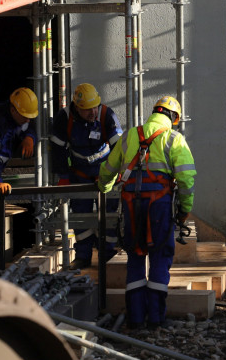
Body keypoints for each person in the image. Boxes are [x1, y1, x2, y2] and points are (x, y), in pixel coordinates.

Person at [98, 96, 196, 329]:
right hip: (159, 207)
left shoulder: (130, 135)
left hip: (132, 205)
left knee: (135, 256)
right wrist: (184, 211)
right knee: (160, 258)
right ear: (173, 118)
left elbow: (108, 169)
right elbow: (186, 180)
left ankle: (135, 318)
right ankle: (155, 318)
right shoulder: (173, 138)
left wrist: (103, 186)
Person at [50, 83, 123, 270]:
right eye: (87, 109)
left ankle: (107, 255)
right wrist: (64, 177)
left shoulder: (107, 115)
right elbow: (58, 150)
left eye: (95, 107)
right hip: (79, 174)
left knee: (108, 214)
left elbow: (119, 148)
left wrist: (114, 173)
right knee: (80, 217)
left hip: (104, 174)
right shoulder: (64, 119)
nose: (93, 113)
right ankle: (83, 256)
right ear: (77, 108)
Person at [0, 87, 38, 195]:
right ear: (13, 110)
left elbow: (29, 127)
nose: (28, 120)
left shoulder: (17, 119)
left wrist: (29, 138)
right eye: (25, 116)